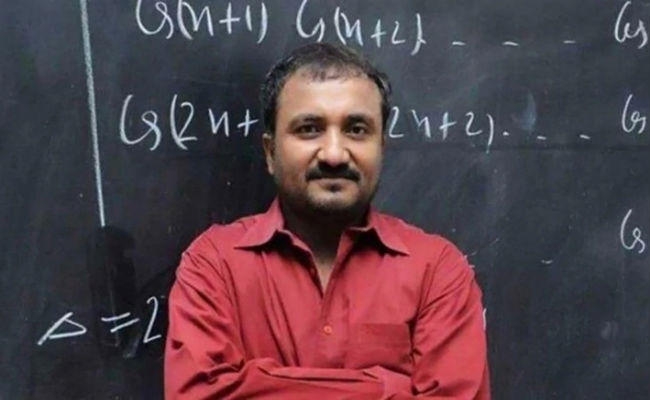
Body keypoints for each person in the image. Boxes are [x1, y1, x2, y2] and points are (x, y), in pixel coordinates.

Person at [164, 42, 490, 399]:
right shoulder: (214, 265)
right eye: (309, 129)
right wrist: (386, 386)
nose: (334, 154)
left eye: (357, 129)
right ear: (270, 152)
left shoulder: (438, 272)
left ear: (382, 147)